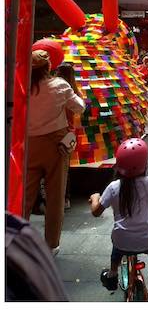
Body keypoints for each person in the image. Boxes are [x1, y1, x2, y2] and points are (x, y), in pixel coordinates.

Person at [89, 138, 148, 298]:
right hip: (147, 240)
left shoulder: (113, 187)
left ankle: (112, 274)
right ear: (144, 164)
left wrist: (95, 198)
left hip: (122, 241)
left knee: (118, 238)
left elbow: (96, 212)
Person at [24, 50, 85, 255]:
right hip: (56, 146)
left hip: (29, 145)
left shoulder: (21, 87)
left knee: (25, 196)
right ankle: (51, 244)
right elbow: (79, 107)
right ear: (48, 67)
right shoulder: (59, 86)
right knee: (55, 197)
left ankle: (13, 238)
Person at [55, 62, 82, 210]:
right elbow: (80, 107)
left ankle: (59, 198)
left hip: (57, 131)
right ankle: (65, 198)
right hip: (69, 133)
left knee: (55, 167)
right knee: (65, 166)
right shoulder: (74, 91)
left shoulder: (57, 89)